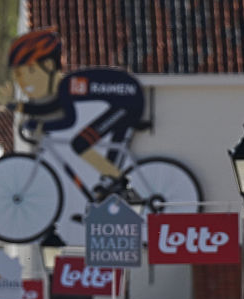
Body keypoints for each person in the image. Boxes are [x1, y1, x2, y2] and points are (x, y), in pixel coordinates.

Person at [9, 26, 145, 185]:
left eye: (31, 71)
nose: (23, 80)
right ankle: (113, 183)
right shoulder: (66, 86)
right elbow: (53, 107)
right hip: (125, 99)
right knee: (109, 166)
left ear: (49, 65)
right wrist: (23, 108)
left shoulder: (68, 85)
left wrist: (41, 125)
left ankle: (120, 181)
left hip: (128, 102)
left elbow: (69, 121)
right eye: (19, 74)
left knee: (80, 143)